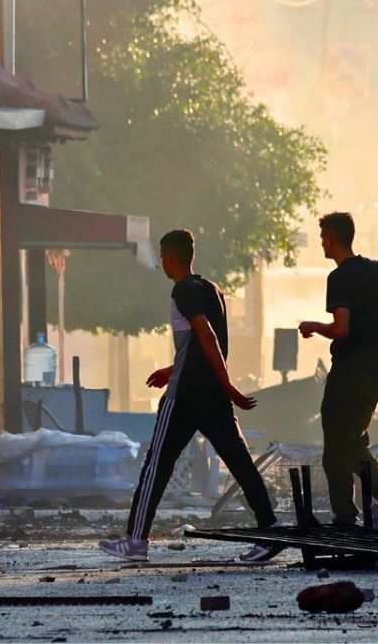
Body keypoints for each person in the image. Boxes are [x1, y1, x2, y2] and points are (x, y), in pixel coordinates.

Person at [100, 229, 281, 562]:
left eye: (162, 257)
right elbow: (201, 347)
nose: (162, 263)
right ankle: (270, 530)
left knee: (157, 465)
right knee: (240, 462)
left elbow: (207, 337)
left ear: (171, 257)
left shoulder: (182, 290)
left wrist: (229, 386)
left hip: (185, 397)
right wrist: (176, 370)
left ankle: (136, 541)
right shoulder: (213, 289)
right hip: (212, 395)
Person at [299, 212, 378, 525]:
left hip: (349, 371)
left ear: (331, 238)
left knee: (341, 443)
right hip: (375, 371)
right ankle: (352, 512)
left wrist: (314, 326)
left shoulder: (339, 278)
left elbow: (341, 329)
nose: (321, 243)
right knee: (345, 441)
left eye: (323, 237)